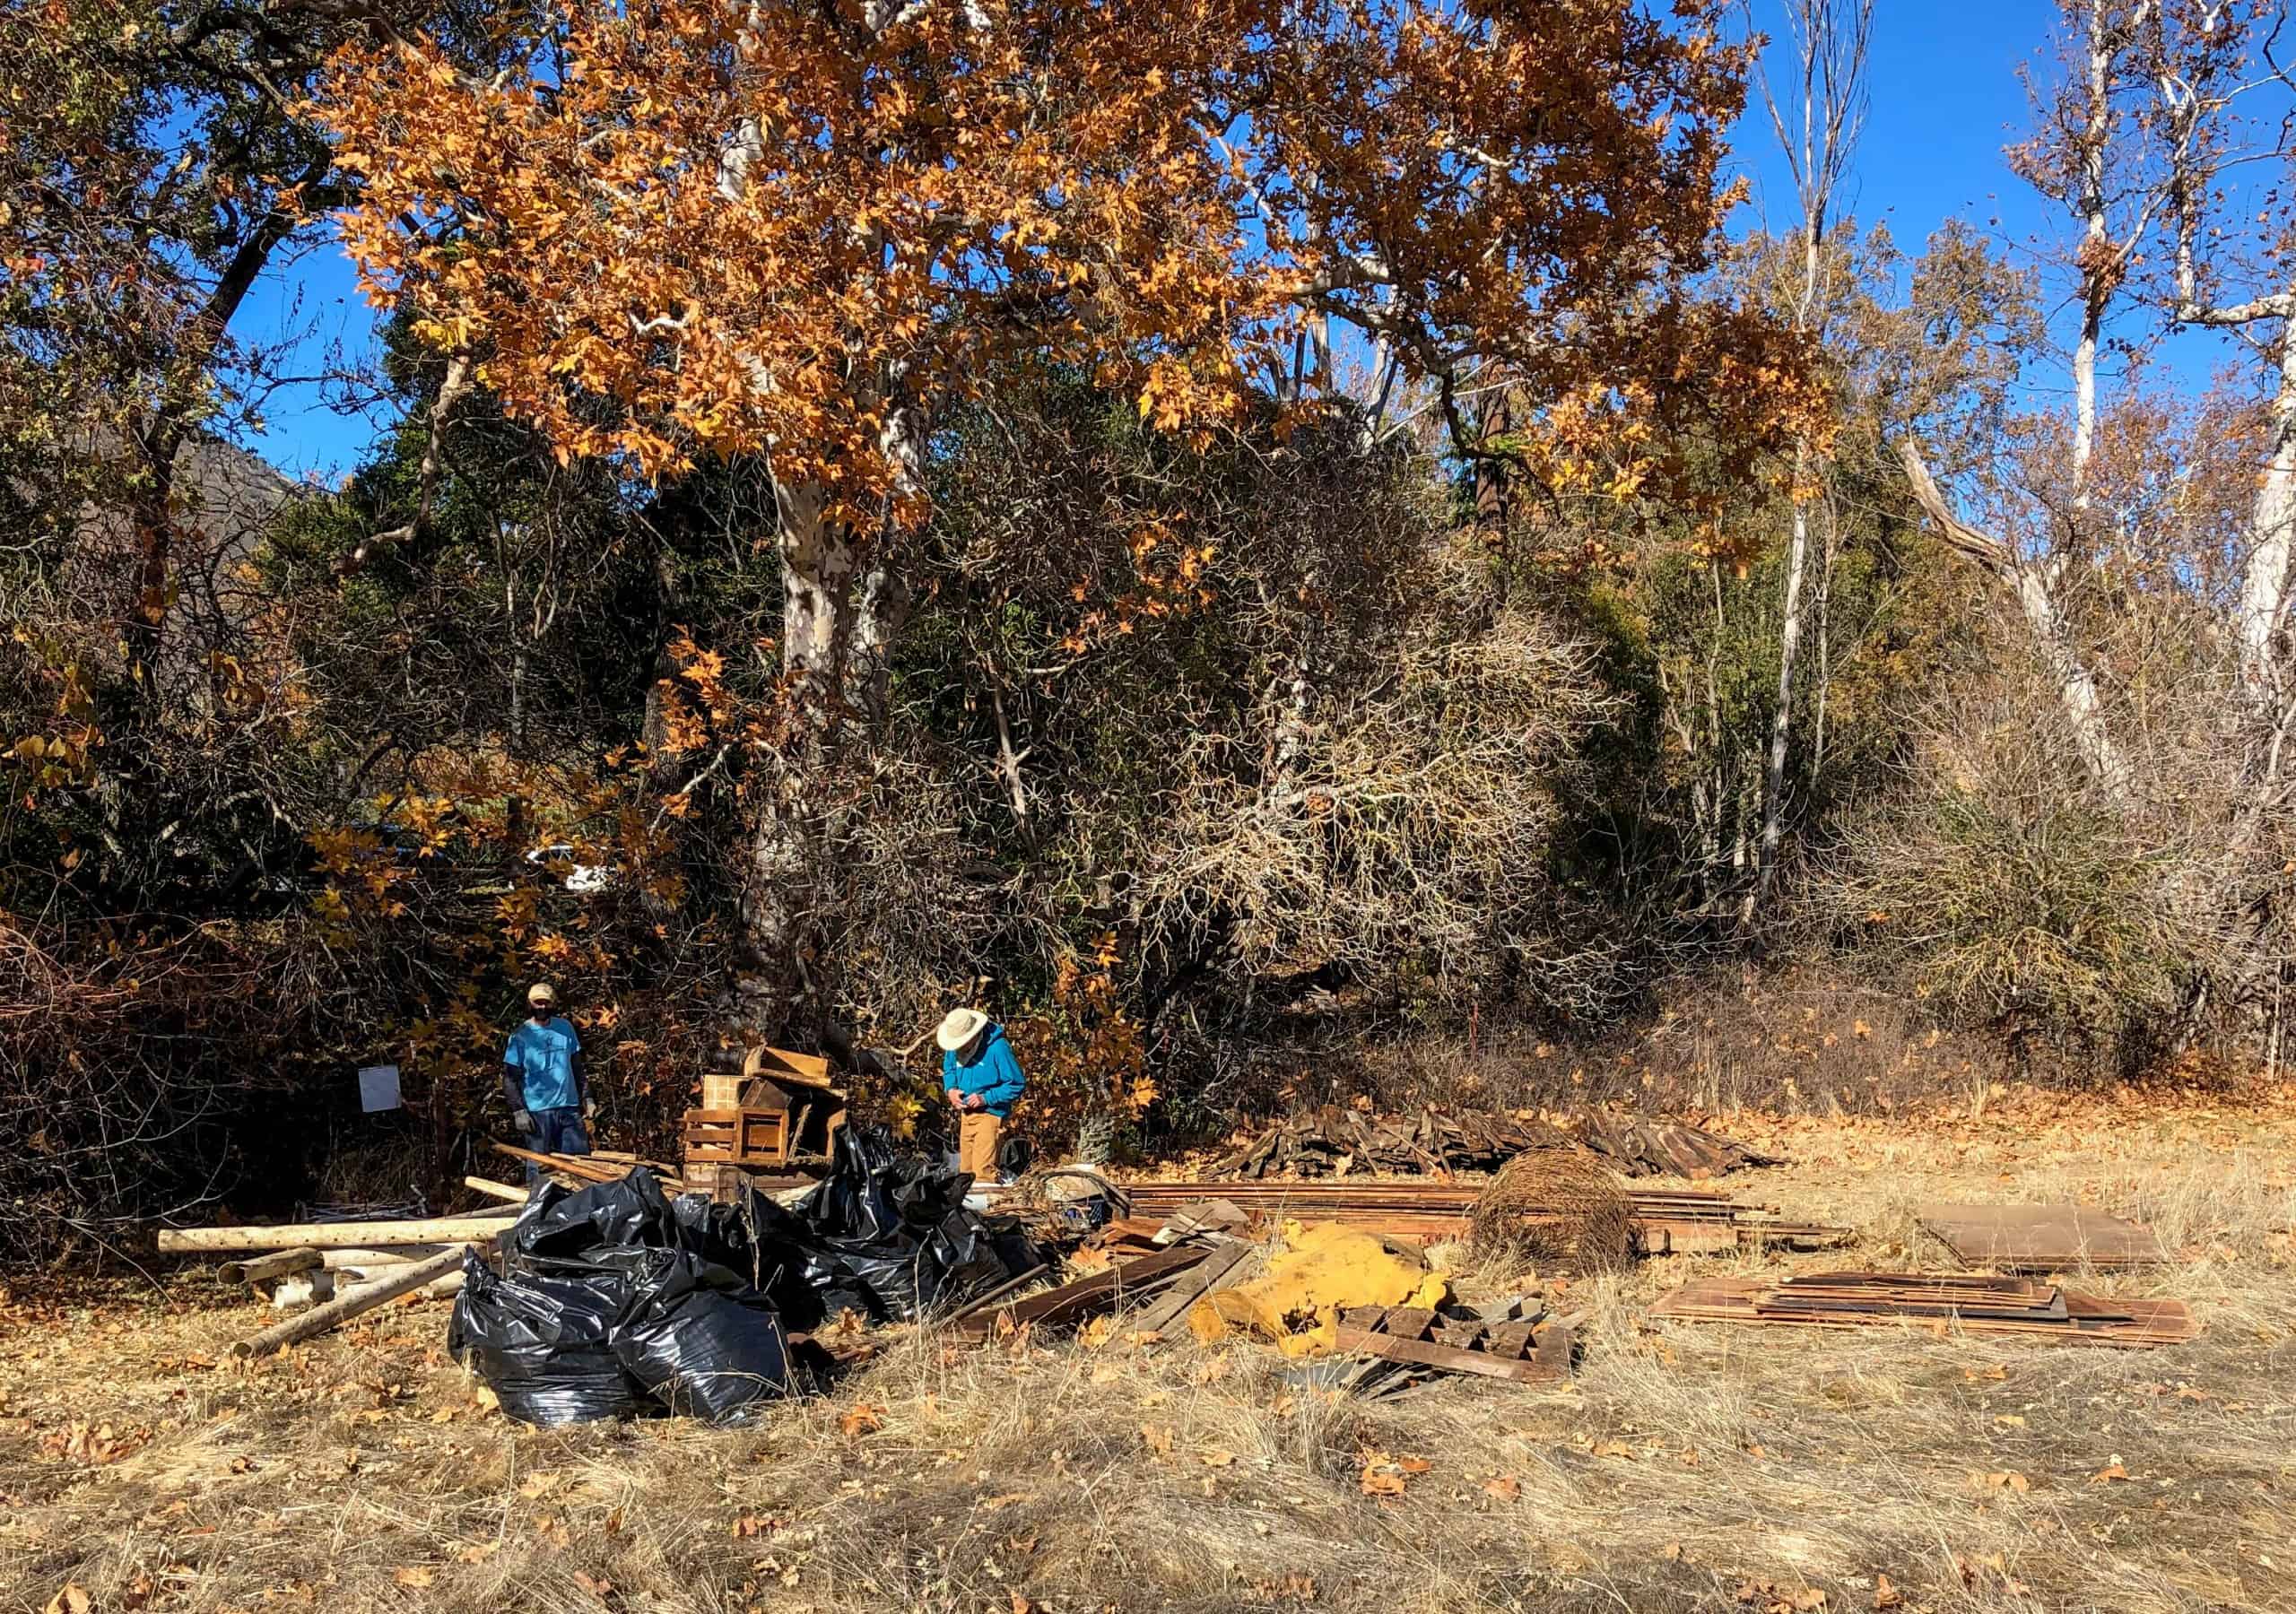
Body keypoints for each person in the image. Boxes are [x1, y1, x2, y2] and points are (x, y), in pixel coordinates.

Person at [503, 983, 589, 1185]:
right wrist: (518, 1110)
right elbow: (510, 1077)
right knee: (539, 1168)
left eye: (546, 1003)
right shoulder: (520, 1035)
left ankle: (579, 1210)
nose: (542, 1007)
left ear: (553, 1004)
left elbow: (577, 1067)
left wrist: (588, 1097)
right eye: (537, 1003)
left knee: (578, 1165)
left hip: (568, 1108)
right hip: (537, 1112)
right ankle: (537, 1211)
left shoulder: (565, 1028)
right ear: (530, 1004)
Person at [937, 1006, 1026, 1184]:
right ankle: (968, 1210)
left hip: (991, 1114)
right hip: (966, 1114)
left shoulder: (998, 1048)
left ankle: (986, 1210)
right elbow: (949, 1068)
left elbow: (1016, 1083)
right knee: (966, 1173)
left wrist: (986, 1098)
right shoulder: (954, 1048)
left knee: (983, 1173)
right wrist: (951, 1090)